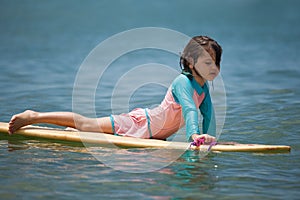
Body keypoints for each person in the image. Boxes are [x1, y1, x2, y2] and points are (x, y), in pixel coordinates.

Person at [8, 35, 222, 144]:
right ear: (192, 63)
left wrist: (210, 140)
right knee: (87, 123)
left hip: (155, 135)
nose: (213, 68)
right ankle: (33, 116)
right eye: (207, 62)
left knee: (89, 129)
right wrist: (194, 135)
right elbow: (190, 110)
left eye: (215, 63)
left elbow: (208, 114)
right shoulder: (182, 82)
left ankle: (78, 133)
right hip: (140, 123)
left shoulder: (203, 88)